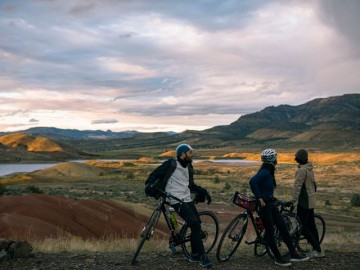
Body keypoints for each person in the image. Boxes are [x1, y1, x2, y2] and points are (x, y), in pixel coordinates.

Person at [144, 144, 212, 267]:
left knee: (196, 224)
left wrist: (202, 191)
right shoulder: (171, 164)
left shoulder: (189, 167)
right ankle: (203, 257)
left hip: (187, 199)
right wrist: (149, 184)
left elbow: (190, 185)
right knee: (195, 224)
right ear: (183, 154)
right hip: (175, 199)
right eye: (190, 153)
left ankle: (194, 254)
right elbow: (154, 174)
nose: (192, 155)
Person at [249, 149, 309, 267]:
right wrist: (260, 198)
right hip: (265, 206)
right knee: (270, 232)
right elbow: (252, 182)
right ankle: (278, 258)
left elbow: (265, 188)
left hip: (271, 204)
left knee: (282, 227)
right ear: (273, 159)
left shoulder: (268, 170)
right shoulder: (265, 172)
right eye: (276, 158)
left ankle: (293, 253)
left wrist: (273, 198)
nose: (277, 160)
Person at [290, 149, 325, 258]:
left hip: (304, 202)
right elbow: (315, 185)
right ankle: (318, 250)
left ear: (298, 159)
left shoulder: (302, 171)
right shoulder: (310, 169)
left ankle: (317, 249)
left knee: (302, 227)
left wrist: (293, 200)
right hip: (311, 201)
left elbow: (297, 186)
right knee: (312, 226)